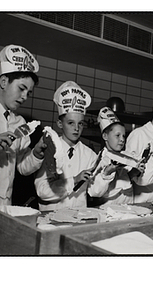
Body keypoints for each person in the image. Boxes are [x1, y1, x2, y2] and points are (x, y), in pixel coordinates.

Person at [34, 81, 108, 211]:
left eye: (80, 124)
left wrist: (106, 174)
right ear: (60, 124)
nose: (76, 129)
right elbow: (42, 190)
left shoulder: (89, 154)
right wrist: (73, 180)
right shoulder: (49, 149)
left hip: (78, 218)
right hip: (50, 218)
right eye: (70, 123)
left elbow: (95, 192)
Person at [0, 44, 46, 206]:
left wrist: (37, 153)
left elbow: (23, 167)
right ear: (4, 82)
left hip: (5, 204)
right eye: (21, 88)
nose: (25, 97)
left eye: (28, 93)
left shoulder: (20, 123)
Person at [87, 107, 148, 205]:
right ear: (105, 136)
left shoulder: (125, 157)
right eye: (117, 135)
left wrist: (135, 172)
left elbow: (127, 179)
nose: (122, 139)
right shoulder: (99, 160)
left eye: (124, 136)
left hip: (128, 208)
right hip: (109, 211)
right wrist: (106, 173)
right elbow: (94, 192)